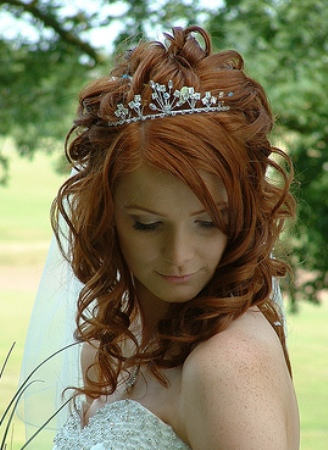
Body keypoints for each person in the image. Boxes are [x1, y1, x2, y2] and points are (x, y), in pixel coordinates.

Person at [21, 25, 300, 449]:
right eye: (148, 225)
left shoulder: (228, 365)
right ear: (105, 218)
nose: (179, 256)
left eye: (208, 222)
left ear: (241, 217)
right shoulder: (108, 347)